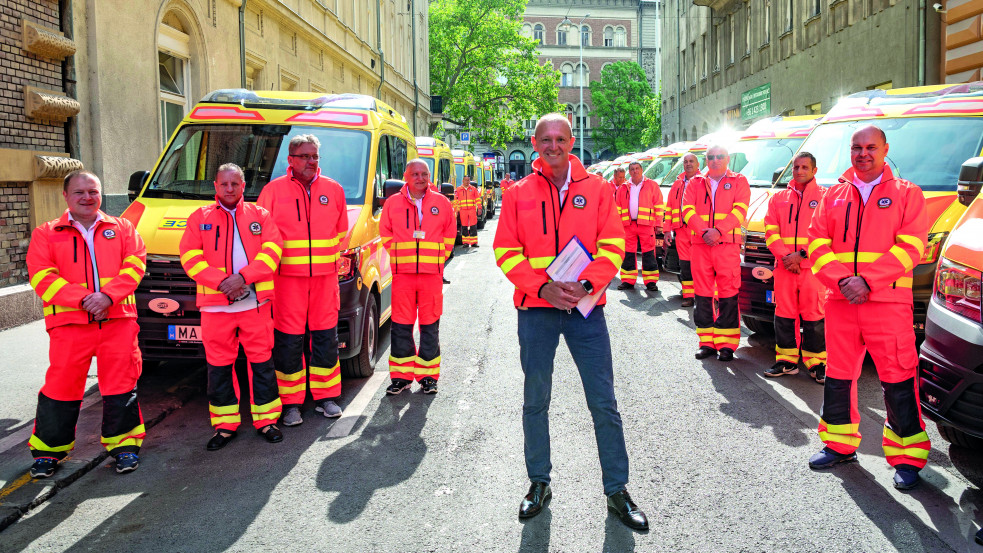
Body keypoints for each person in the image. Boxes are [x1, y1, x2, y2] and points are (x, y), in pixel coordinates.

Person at [494, 113, 648, 531]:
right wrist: (541, 287)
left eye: (561, 138)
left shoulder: (597, 189)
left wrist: (587, 283)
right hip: (536, 310)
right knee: (535, 402)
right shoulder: (518, 192)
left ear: (571, 140)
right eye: (546, 139)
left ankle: (617, 490)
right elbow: (506, 250)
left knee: (603, 402)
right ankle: (538, 484)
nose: (554, 145)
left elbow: (613, 243)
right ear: (534, 142)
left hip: (585, 309)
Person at [806, 125, 930, 490]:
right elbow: (816, 245)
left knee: (898, 378)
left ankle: (907, 458)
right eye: (856, 147)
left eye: (871, 147)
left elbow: (912, 247)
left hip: (887, 303)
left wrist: (868, 280)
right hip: (842, 301)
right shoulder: (833, 196)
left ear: (885, 149)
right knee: (839, 376)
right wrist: (844, 281)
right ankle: (839, 445)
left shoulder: (908, 194)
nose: (863, 153)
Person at [26, 170, 147, 477]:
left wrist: (108, 297)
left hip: (117, 320)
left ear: (101, 195)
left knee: (120, 385)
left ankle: (124, 448)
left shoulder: (122, 228)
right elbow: (42, 277)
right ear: (65, 196)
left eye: (93, 191)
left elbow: (135, 265)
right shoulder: (46, 233)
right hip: (70, 324)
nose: (87, 197)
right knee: (61, 387)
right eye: (79, 192)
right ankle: (48, 453)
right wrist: (84, 300)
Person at [180, 163, 285, 450]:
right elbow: (189, 257)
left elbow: (273, 251)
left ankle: (267, 421)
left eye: (235, 184)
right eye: (224, 184)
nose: (229, 189)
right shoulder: (198, 217)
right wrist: (223, 281)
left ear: (243, 186)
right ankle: (225, 426)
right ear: (215, 186)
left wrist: (243, 278)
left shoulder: (260, 215)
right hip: (215, 306)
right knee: (219, 367)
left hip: (255, 303)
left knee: (261, 363)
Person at [257, 134, 348, 426]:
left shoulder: (333, 190)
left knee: (325, 339)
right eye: (305, 156)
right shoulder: (272, 192)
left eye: (315, 156)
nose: (311, 161)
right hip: (286, 282)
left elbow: (340, 231)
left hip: (324, 281)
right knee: (289, 342)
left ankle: (326, 398)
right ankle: (291, 404)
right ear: (291, 160)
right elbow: (261, 238)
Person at [380, 159, 456, 395]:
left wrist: (435, 261)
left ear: (429, 176)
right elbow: (385, 232)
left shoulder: (442, 203)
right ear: (406, 175)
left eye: (424, 173)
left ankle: (428, 377)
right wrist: (400, 257)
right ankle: (401, 378)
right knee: (401, 327)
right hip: (403, 276)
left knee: (430, 326)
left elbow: (449, 234)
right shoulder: (392, 204)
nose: (420, 178)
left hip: (431, 277)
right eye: (415, 174)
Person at [762, 153, 827, 384]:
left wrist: (800, 256)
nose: (799, 171)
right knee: (784, 314)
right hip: (785, 268)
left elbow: (828, 234)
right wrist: (786, 258)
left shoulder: (825, 197)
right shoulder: (778, 198)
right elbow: (770, 232)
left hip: (811, 268)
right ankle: (787, 362)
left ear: (814, 170)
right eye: (796, 167)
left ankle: (817, 363)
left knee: (814, 316)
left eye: (804, 167)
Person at [681, 145, 750, 362]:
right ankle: (706, 343)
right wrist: (705, 232)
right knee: (702, 294)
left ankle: (727, 344)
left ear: (728, 159)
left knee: (728, 294)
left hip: (726, 245)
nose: (715, 160)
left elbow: (740, 211)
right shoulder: (695, 182)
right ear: (706, 160)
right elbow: (687, 210)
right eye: (711, 157)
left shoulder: (739, 181)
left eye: (720, 156)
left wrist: (718, 232)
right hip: (701, 245)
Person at [615, 161, 664, 292]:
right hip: (628, 225)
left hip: (646, 225)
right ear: (629, 172)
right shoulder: (623, 187)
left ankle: (651, 282)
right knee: (628, 253)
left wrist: (659, 224)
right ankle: (627, 280)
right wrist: (617, 225)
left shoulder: (652, 185)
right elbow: (617, 207)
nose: (635, 171)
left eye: (637, 168)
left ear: (642, 170)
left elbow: (658, 205)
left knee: (648, 253)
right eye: (632, 169)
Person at [664, 154, 700, 307]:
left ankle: (705, 296)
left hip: (698, 230)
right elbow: (670, 208)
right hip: (681, 230)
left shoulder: (704, 182)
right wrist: (667, 230)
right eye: (685, 162)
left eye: (691, 161)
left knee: (701, 265)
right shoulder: (677, 184)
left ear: (698, 164)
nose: (688, 164)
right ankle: (688, 296)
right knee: (685, 265)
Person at [454, 175, 480, 247]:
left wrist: (480, 208)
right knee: (464, 226)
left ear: (470, 181)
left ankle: (474, 242)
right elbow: (455, 200)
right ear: (463, 181)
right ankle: (466, 242)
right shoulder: (458, 189)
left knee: (473, 226)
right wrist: (457, 210)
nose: (467, 182)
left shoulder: (473, 189)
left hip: (472, 210)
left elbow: (477, 199)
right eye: (465, 180)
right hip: (463, 211)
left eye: (468, 180)